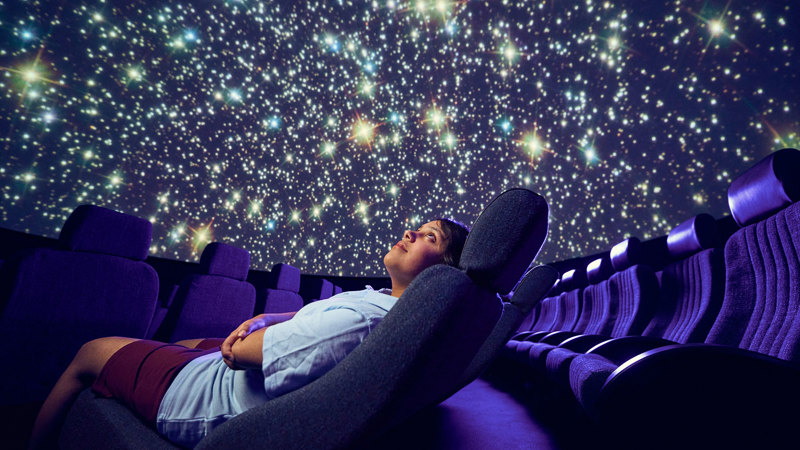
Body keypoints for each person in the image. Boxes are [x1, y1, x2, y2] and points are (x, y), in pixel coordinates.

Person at [30, 218, 469, 448]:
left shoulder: (368, 319)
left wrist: (251, 338)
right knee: (181, 345)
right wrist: (268, 319)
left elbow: (241, 354)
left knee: (91, 350)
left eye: (429, 236)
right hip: (230, 381)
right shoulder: (381, 302)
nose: (410, 232)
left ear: (443, 272)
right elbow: (303, 325)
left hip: (213, 400)